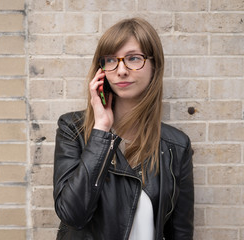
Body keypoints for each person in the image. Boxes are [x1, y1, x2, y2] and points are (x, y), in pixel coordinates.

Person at [53, 17, 194, 240]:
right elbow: (72, 214)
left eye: (133, 59)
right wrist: (101, 130)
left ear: (155, 64)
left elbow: (181, 232)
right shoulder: (73, 130)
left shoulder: (175, 145)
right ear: (101, 70)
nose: (121, 70)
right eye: (110, 60)